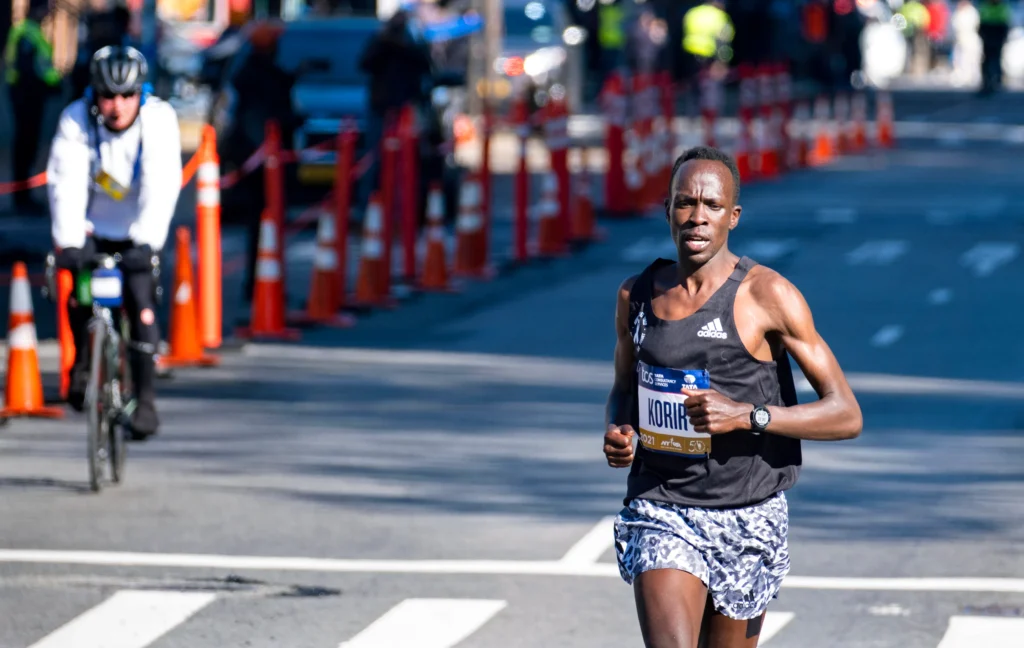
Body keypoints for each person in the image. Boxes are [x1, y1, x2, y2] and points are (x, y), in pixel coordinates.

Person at [603, 146, 862, 648]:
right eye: (685, 202)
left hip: (747, 513)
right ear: (668, 210)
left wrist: (748, 416)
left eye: (712, 205)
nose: (697, 217)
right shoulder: (635, 296)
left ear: (733, 216)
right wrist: (619, 429)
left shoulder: (768, 295)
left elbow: (846, 414)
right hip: (663, 506)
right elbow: (623, 387)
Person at [47, 45, 182, 440]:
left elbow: (162, 182)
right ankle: (82, 364)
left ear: (141, 93)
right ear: (95, 95)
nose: (117, 106)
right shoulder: (76, 119)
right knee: (80, 294)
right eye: (108, 96)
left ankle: (146, 400)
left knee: (142, 306)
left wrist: (148, 240)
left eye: (127, 96)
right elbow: (65, 182)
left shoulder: (159, 119)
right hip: (91, 228)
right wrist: (69, 241)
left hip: (137, 231)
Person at [4, 0, 62, 212]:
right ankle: (21, 197)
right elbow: (28, 70)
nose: (48, 13)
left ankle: (24, 195)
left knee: (28, 145)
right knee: (25, 146)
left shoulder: (32, 32)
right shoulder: (27, 33)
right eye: (45, 8)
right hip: (25, 97)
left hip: (31, 97)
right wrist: (47, 86)